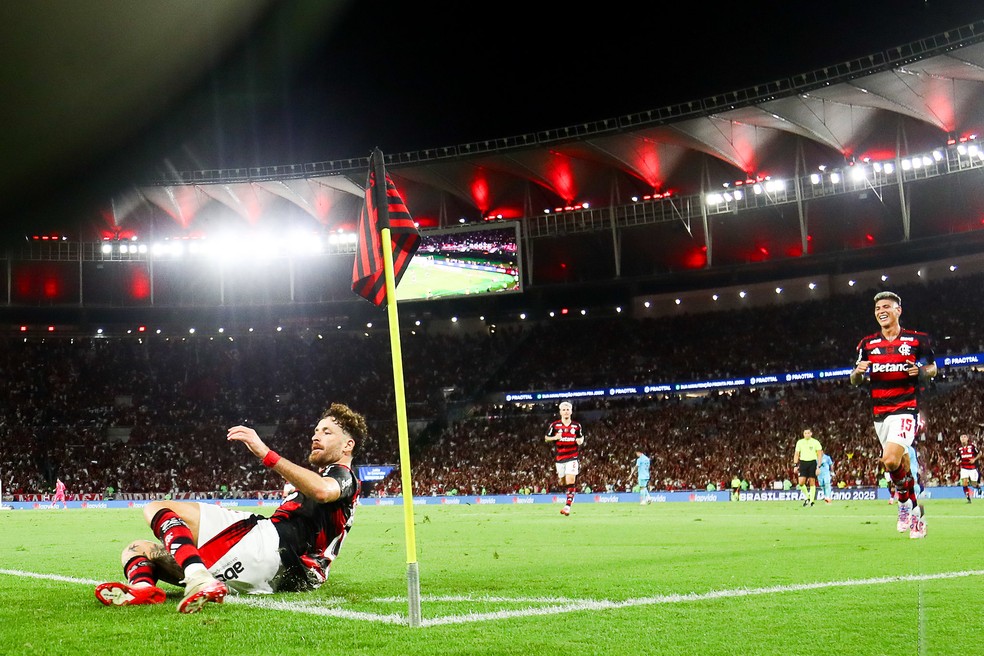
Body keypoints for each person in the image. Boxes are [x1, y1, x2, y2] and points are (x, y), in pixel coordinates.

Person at [94, 402, 366, 613]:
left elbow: (322, 489)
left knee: (158, 507)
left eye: (327, 432)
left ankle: (198, 577)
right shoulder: (321, 483)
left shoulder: (343, 475)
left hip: (273, 547)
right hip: (276, 575)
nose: (316, 436)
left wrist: (265, 453)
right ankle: (143, 589)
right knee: (137, 549)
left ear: (348, 445)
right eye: (316, 430)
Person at [850, 290, 936, 539]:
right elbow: (854, 380)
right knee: (901, 465)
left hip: (906, 408)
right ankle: (916, 513)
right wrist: (858, 372)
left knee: (889, 460)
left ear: (898, 310)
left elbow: (933, 368)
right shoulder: (867, 344)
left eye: (886, 306)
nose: (881, 311)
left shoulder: (917, 339)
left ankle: (903, 503)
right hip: (879, 412)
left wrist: (920, 371)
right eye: (877, 309)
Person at [544, 401, 585, 516]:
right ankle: (568, 493)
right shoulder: (555, 425)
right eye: (564, 410)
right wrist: (555, 437)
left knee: (571, 480)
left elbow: (581, 438)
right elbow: (546, 437)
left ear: (571, 412)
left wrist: (580, 441)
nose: (566, 412)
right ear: (560, 412)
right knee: (562, 482)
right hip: (560, 458)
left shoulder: (576, 426)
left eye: (568, 410)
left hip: (572, 456)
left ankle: (567, 507)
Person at [793, 429, 823, 507]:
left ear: (811, 434)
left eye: (808, 433)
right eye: (805, 433)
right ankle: (808, 497)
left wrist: (818, 466)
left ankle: (812, 502)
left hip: (812, 462)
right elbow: (796, 454)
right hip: (803, 463)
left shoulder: (815, 442)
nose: (806, 434)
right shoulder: (800, 442)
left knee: (812, 482)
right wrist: (795, 465)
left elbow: (819, 455)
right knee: (801, 482)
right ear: (803, 434)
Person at [957, 433, 981, 503]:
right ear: (960, 439)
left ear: (967, 439)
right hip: (964, 468)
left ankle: (978, 488)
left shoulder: (972, 446)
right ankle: (968, 498)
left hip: (972, 468)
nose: (963, 439)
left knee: (973, 484)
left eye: (964, 437)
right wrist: (957, 461)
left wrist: (974, 459)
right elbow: (958, 457)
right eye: (962, 437)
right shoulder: (959, 448)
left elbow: (980, 453)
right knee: (964, 483)